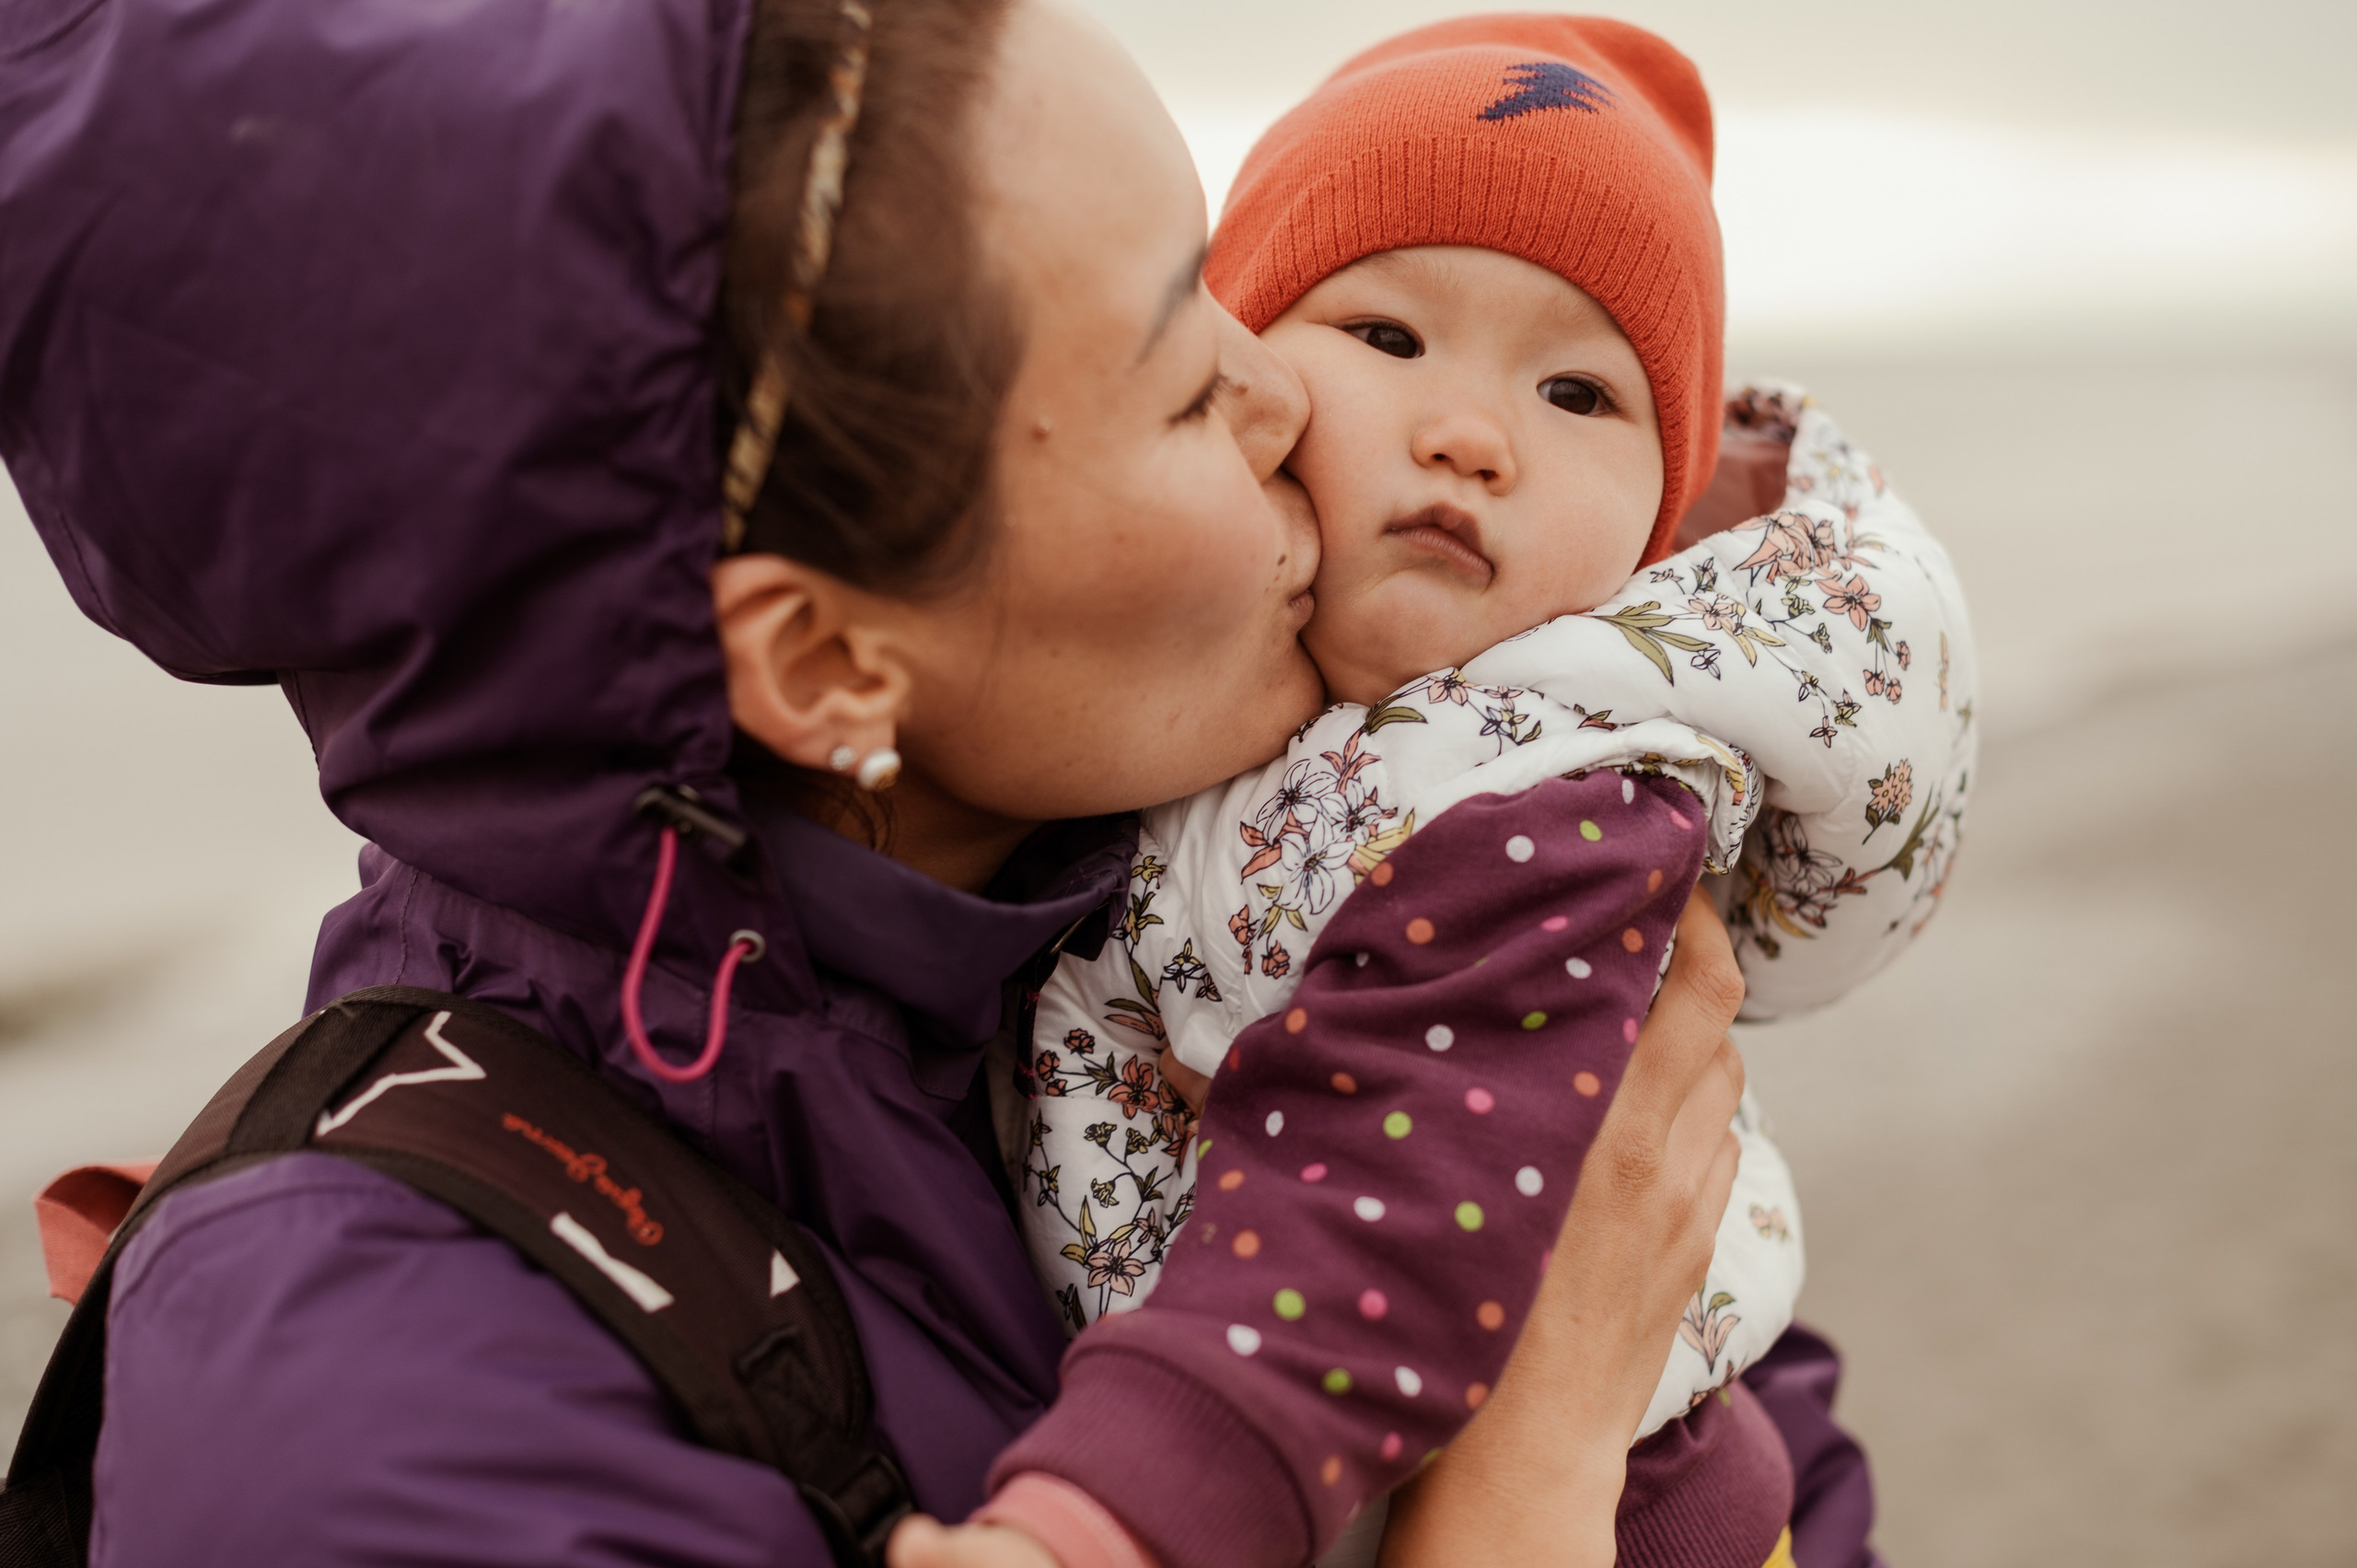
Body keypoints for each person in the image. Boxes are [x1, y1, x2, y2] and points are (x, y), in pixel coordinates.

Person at [0, 1, 1876, 1567]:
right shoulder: (366, 1430)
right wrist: (1527, 1471)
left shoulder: (1232, 891)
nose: (1290, 397)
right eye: (1179, 367)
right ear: (829, 662)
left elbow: (1785, 1438)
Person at [1002, 19, 1974, 1568]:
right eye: (1389, 337)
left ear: (1656, 526)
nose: (1470, 435)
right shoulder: (1156, 731)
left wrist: (1098, 1524)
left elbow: (1389, 1206)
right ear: (1236, 382)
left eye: (1579, 393)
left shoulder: (1557, 810)